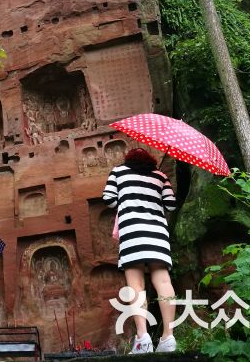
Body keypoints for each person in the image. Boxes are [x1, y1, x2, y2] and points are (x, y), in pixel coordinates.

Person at [102, 148, 178, 354]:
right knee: (163, 281)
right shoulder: (161, 176)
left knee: (135, 284)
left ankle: (143, 338)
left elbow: (108, 199)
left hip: (132, 232)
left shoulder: (118, 172)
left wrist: (127, 199)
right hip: (158, 234)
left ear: (129, 159)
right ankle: (168, 337)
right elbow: (170, 205)